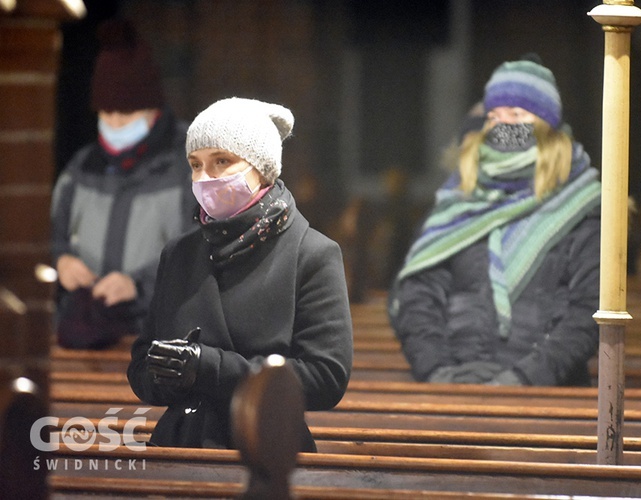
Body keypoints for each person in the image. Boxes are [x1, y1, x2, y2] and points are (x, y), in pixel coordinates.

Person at [127, 97, 354, 451]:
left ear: (261, 169)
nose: (205, 178)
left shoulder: (312, 254)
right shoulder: (180, 254)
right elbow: (141, 363)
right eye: (195, 164)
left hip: (267, 447)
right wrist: (169, 375)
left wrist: (208, 368)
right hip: (180, 447)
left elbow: (326, 378)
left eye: (222, 161)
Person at [389, 55, 602, 387]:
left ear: (547, 124)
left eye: (516, 115)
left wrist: (521, 380)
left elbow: (588, 311)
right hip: (452, 387)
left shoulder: (581, 207)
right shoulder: (458, 200)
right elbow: (420, 296)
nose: (502, 126)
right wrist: (437, 372)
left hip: (547, 396)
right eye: (493, 116)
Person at [50, 19, 195, 349]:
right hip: (83, 337)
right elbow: (52, 239)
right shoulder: (82, 167)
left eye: (125, 115)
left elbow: (201, 253)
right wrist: (62, 263)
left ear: (152, 110)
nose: (114, 124)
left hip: (162, 341)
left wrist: (138, 286)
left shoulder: (189, 165)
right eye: (106, 113)